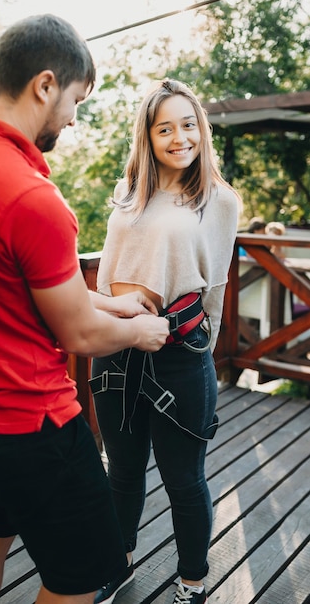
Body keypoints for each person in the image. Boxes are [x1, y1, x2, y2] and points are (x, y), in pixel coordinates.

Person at [0, 15, 170, 604]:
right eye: (76, 99)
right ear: (46, 85)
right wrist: (142, 331)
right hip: (31, 425)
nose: (75, 118)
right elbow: (78, 331)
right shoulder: (31, 195)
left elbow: (13, 292)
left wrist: (115, 303)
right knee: (82, 577)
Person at [89, 79, 241, 604]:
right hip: (115, 348)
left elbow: (216, 287)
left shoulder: (219, 200)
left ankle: (193, 582)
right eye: (164, 128)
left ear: (201, 128)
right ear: (148, 137)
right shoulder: (131, 194)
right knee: (122, 472)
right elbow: (106, 278)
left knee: (184, 480)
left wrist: (207, 359)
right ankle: (119, 563)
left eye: (188, 123)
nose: (180, 137)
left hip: (180, 353)